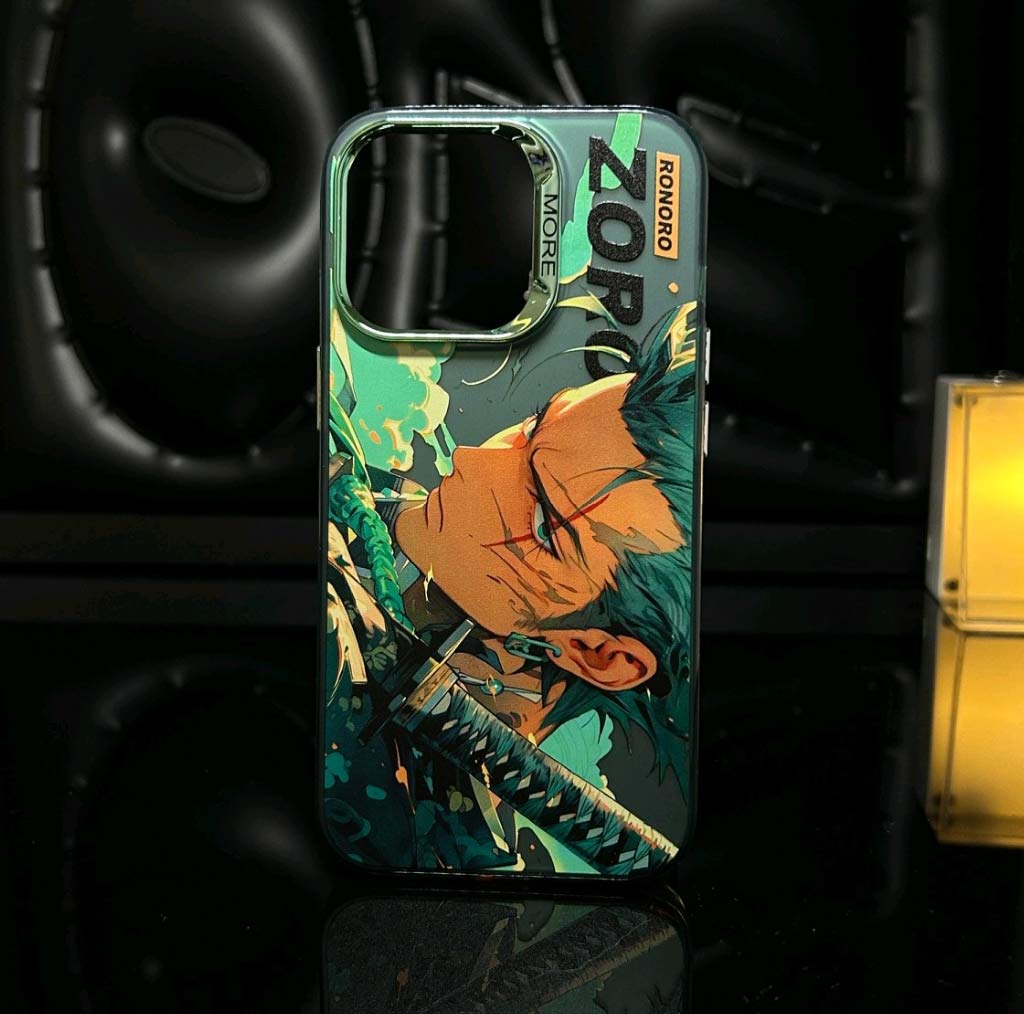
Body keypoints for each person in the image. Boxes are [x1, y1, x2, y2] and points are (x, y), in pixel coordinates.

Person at [324, 304, 697, 872]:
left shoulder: (445, 848)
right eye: (531, 428)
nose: (473, 461)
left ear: (600, 654)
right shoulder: (342, 487)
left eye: (544, 521)